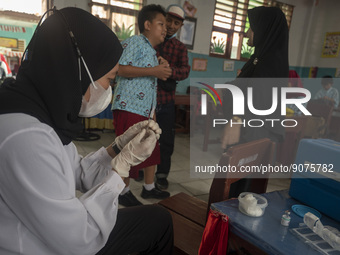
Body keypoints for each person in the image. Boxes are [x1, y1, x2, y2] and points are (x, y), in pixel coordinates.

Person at [0, 7, 173, 255]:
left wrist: (117, 149)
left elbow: (75, 171)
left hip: (53, 234)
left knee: (157, 218)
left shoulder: (39, 109)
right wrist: (120, 170)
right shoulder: (27, 138)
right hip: (44, 246)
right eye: (110, 80)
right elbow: (81, 241)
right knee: (157, 224)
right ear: (80, 72)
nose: (108, 89)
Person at [221, 6, 289, 198]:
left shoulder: (270, 62)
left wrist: (235, 118)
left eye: (251, 27)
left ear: (264, 29)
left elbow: (257, 101)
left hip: (252, 135)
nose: (246, 33)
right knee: (234, 186)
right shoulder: (260, 57)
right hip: (247, 132)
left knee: (240, 189)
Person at [111, 4, 172, 206]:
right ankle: (122, 191)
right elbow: (120, 69)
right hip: (129, 106)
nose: (165, 28)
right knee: (128, 151)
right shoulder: (136, 42)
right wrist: (154, 71)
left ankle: (148, 189)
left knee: (150, 149)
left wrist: (151, 114)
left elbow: (148, 84)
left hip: (144, 111)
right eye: (161, 23)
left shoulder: (151, 51)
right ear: (147, 24)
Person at [154, 4, 190, 190]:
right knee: (144, 137)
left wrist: (168, 70)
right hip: (147, 100)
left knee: (166, 140)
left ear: (180, 26)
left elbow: (185, 71)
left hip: (167, 101)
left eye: (176, 23)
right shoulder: (153, 40)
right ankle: (142, 171)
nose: (171, 25)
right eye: (169, 20)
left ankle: (161, 174)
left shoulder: (180, 47)